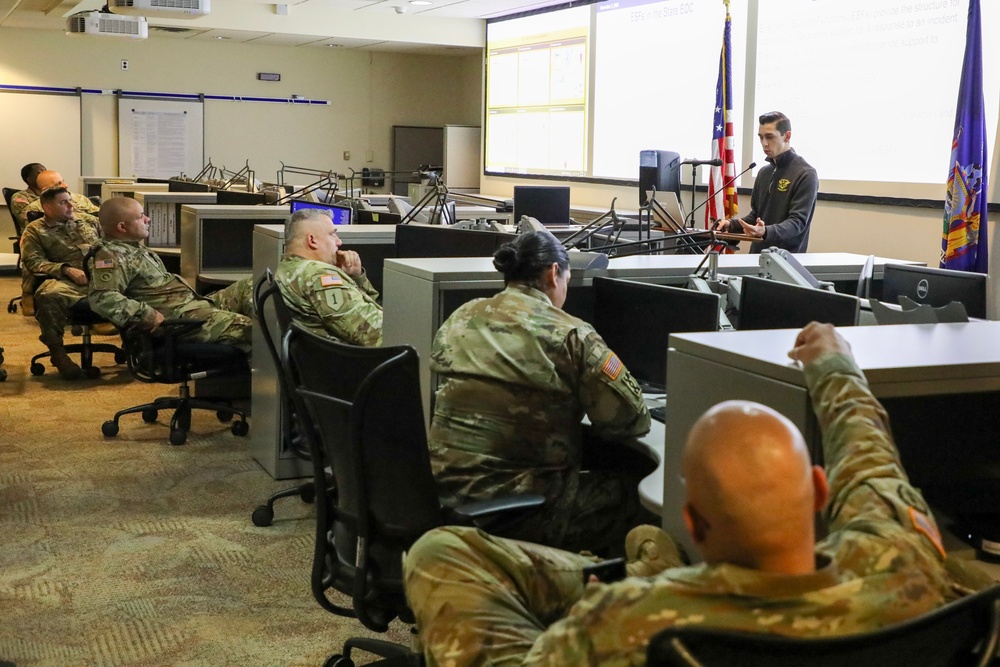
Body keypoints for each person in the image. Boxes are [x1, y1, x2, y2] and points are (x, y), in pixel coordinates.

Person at [404, 322, 965, 667]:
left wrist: (626, 593)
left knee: (438, 552)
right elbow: (871, 463)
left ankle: (642, 566)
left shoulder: (628, 624)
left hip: (638, 590)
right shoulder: (904, 565)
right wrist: (835, 365)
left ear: (692, 521)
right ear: (819, 492)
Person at [428, 230, 653, 557]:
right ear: (553, 273)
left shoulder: (462, 315)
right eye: (567, 280)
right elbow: (631, 422)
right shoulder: (570, 333)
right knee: (639, 498)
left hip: (441, 497)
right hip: (520, 513)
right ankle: (585, 597)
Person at [88, 197, 254, 351]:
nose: (148, 219)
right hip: (179, 321)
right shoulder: (112, 255)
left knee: (252, 285)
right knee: (252, 331)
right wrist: (145, 314)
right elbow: (101, 297)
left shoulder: (132, 247)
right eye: (141, 217)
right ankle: (261, 379)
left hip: (194, 305)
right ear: (122, 227)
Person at [19, 186, 103, 380]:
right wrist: (65, 269)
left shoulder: (90, 221)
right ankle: (57, 352)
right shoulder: (35, 230)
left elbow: (112, 246)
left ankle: (140, 349)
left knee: (139, 286)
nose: (70, 205)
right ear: (47, 208)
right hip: (65, 281)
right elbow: (33, 261)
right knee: (48, 296)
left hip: (100, 277)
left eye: (69, 200)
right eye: (63, 202)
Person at [274, 208, 383, 346]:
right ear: (312, 240)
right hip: (353, 362)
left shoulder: (286, 268)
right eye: (332, 234)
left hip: (319, 359)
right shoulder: (319, 274)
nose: (339, 242)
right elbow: (372, 334)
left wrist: (356, 277)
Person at [715, 111, 818, 253]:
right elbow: (756, 216)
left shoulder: (805, 174)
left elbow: (797, 223)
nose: (764, 143)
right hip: (756, 256)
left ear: (787, 136)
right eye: (761, 137)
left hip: (786, 260)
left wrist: (766, 231)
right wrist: (731, 224)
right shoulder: (764, 173)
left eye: (770, 137)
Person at [22, 170, 100, 222]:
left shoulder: (80, 198)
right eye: (58, 184)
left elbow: (99, 218)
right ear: (46, 189)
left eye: (63, 181)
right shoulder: (35, 208)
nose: (66, 185)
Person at [9, 162, 46, 231]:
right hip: (35, 234)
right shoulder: (19, 197)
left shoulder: (54, 194)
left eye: (45, 172)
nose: (44, 175)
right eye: (39, 173)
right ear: (29, 179)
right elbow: (31, 218)